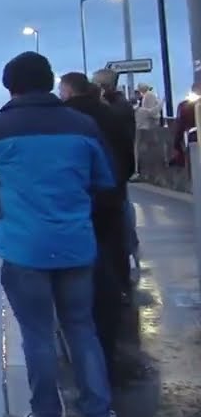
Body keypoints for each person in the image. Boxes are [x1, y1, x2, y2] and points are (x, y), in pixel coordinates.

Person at [0, 51, 119, 417]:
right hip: (76, 244)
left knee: (36, 334)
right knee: (82, 329)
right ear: (51, 81)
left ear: (10, 86)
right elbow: (106, 180)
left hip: (24, 247)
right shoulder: (83, 125)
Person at [59, 72, 129, 380]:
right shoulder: (113, 115)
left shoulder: (69, 119)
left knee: (81, 289)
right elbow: (128, 158)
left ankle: (93, 371)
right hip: (111, 200)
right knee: (110, 271)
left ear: (69, 90)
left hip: (79, 205)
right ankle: (108, 354)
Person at [90, 68, 139, 291]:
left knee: (120, 221)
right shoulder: (122, 106)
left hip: (112, 173)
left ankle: (123, 271)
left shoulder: (112, 110)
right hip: (119, 171)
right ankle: (126, 265)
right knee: (122, 217)